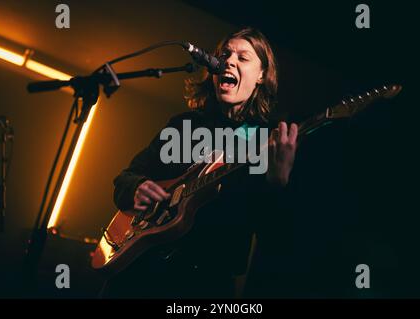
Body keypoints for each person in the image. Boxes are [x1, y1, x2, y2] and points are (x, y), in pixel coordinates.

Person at [101, 27, 298, 298]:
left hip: (204, 284)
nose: (229, 61)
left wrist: (278, 182)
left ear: (262, 75)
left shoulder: (270, 141)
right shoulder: (183, 126)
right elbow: (124, 179)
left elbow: (276, 237)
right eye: (225, 54)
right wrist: (137, 187)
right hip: (139, 273)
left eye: (243, 57)